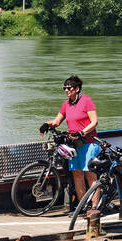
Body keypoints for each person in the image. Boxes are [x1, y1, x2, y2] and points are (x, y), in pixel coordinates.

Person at [39, 75, 99, 203]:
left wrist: (81, 132)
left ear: (77, 89)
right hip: (74, 144)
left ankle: (94, 207)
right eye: (64, 88)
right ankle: (81, 206)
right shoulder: (66, 104)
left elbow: (94, 122)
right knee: (77, 174)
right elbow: (57, 121)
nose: (66, 90)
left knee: (89, 173)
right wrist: (46, 124)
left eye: (69, 88)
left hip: (88, 142)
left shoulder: (87, 101)